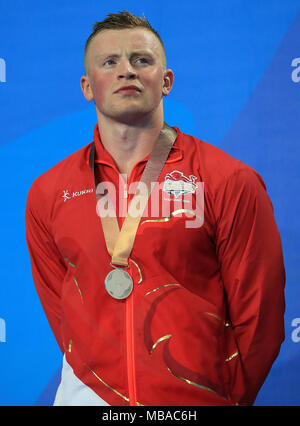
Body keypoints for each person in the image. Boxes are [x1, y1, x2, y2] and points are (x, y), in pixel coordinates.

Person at [25, 10, 285, 406]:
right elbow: (61, 310)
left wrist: (214, 396)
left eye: (141, 60)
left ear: (166, 82)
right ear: (87, 87)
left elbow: (260, 318)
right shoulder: (49, 192)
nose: (126, 71)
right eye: (109, 62)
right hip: (89, 398)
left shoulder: (228, 180)